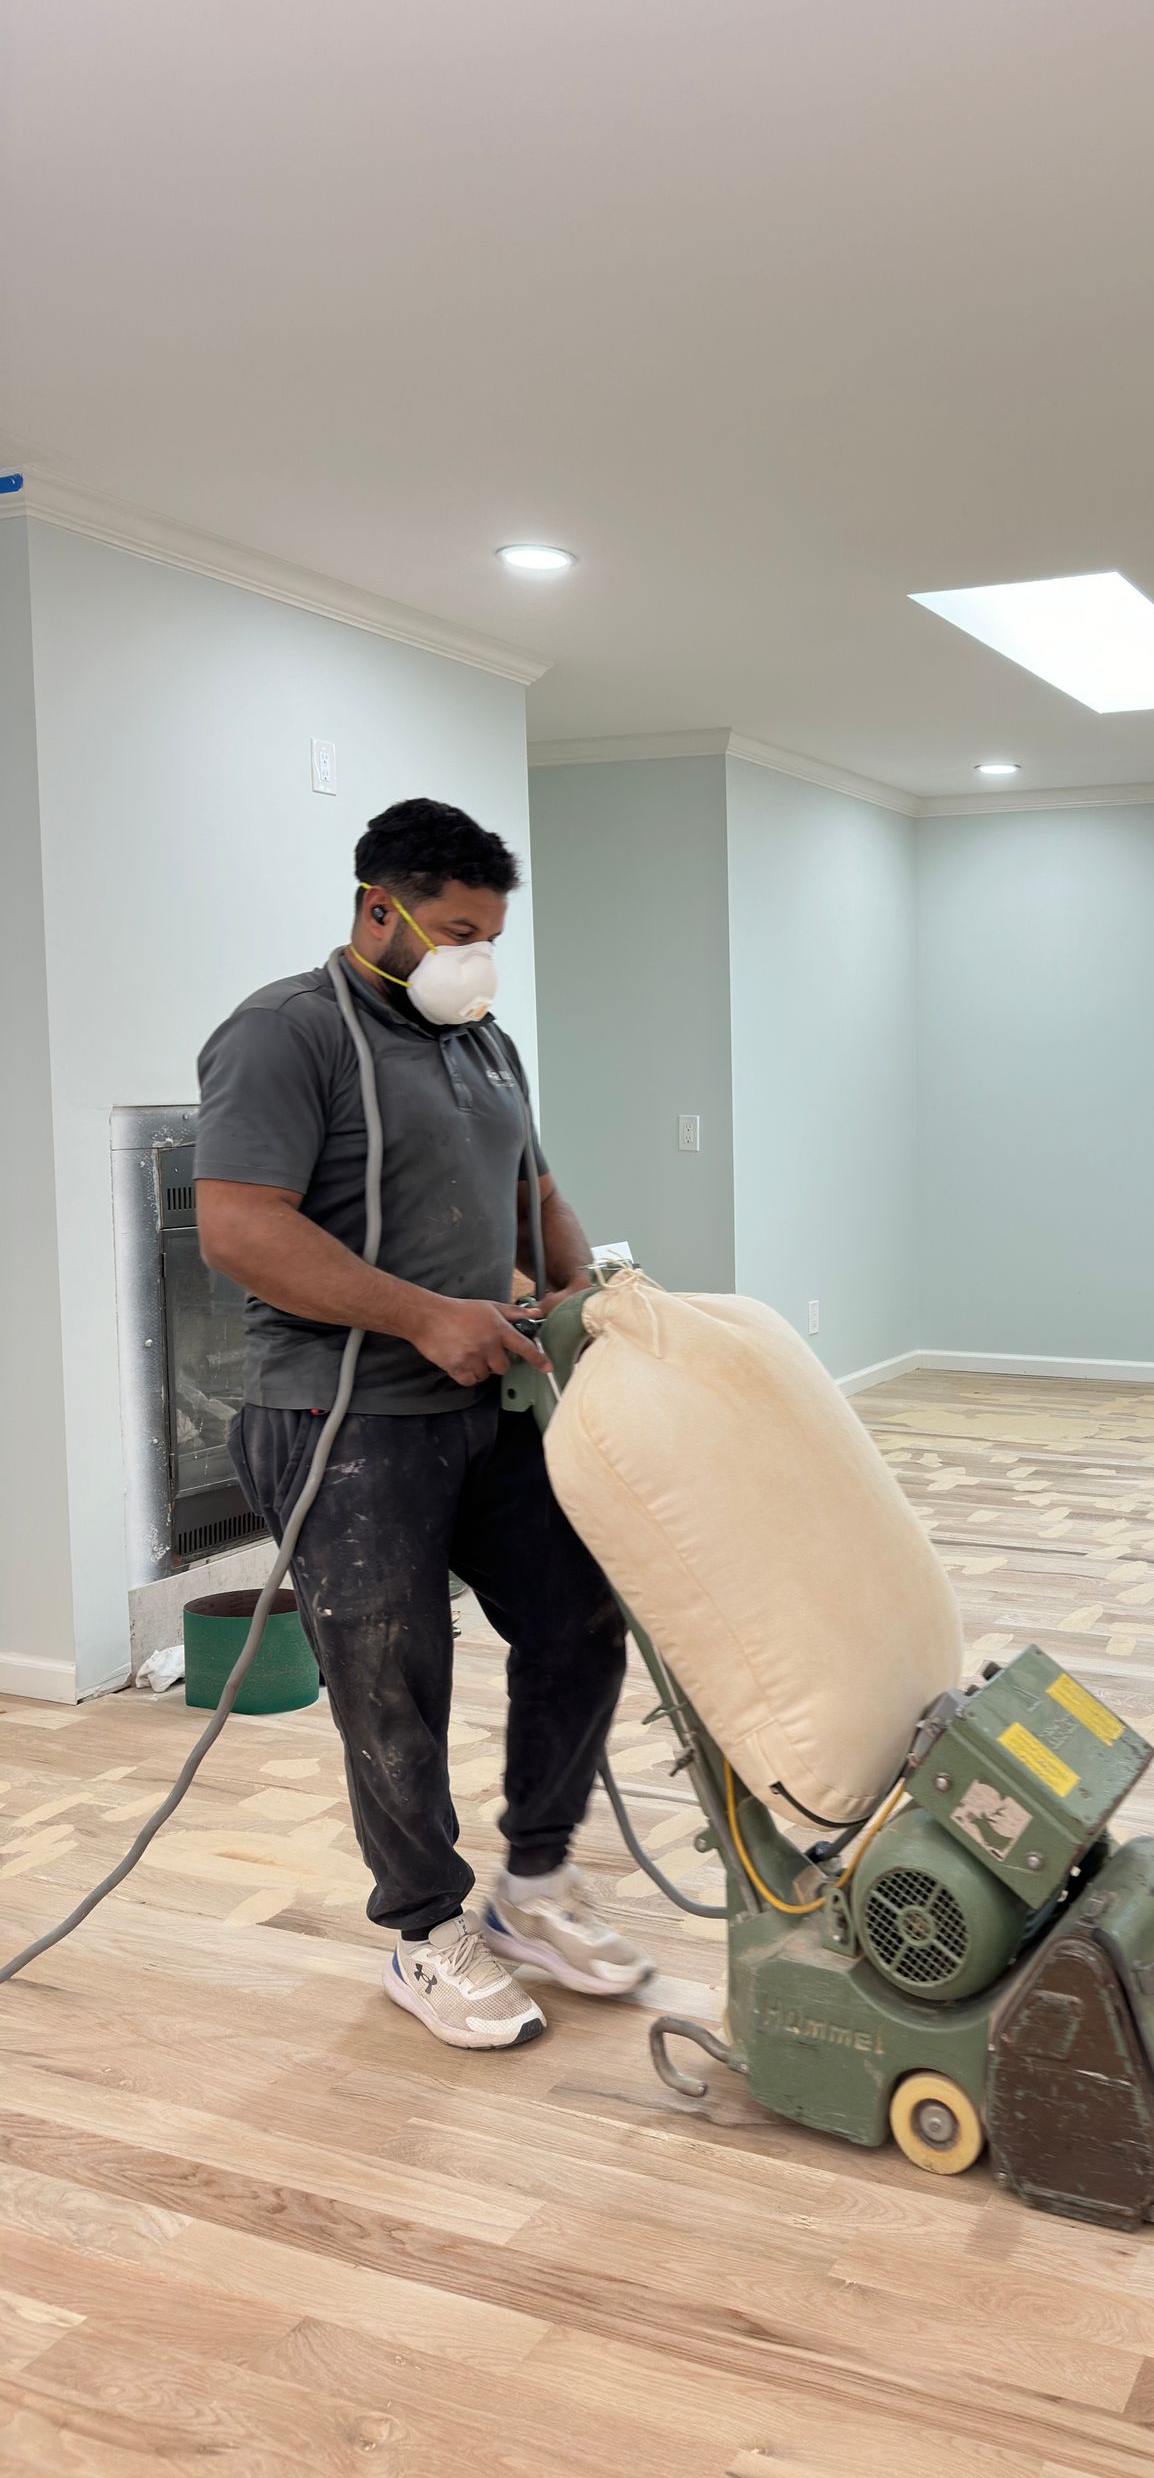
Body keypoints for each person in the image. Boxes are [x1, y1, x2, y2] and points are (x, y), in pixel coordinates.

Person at [195, 797, 652, 2049]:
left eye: (490, 934)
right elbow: (240, 1225)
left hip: (484, 1401)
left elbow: (533, 1187)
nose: (474, 956)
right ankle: (423, 1931)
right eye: (454, 929)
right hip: (341, 1416)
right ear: (376, 906)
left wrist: (573, 1288)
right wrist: (419, 1315)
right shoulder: (285, 1033)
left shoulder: (484, 1042)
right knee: (395, 1678)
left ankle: (535, 1883)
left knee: (578, 1612)